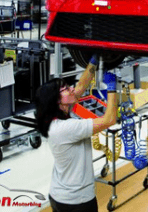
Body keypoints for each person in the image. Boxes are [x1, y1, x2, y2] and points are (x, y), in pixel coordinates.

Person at [35, 55, 120, 212]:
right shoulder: (66, 127)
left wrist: (93, 62)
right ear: (57, 101)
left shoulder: (62, 114)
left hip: (60, 195)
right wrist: (112, 88)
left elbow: (81, 86)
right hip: (76, 201)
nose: (72, 89)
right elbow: (109, 119)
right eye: (66, 89)